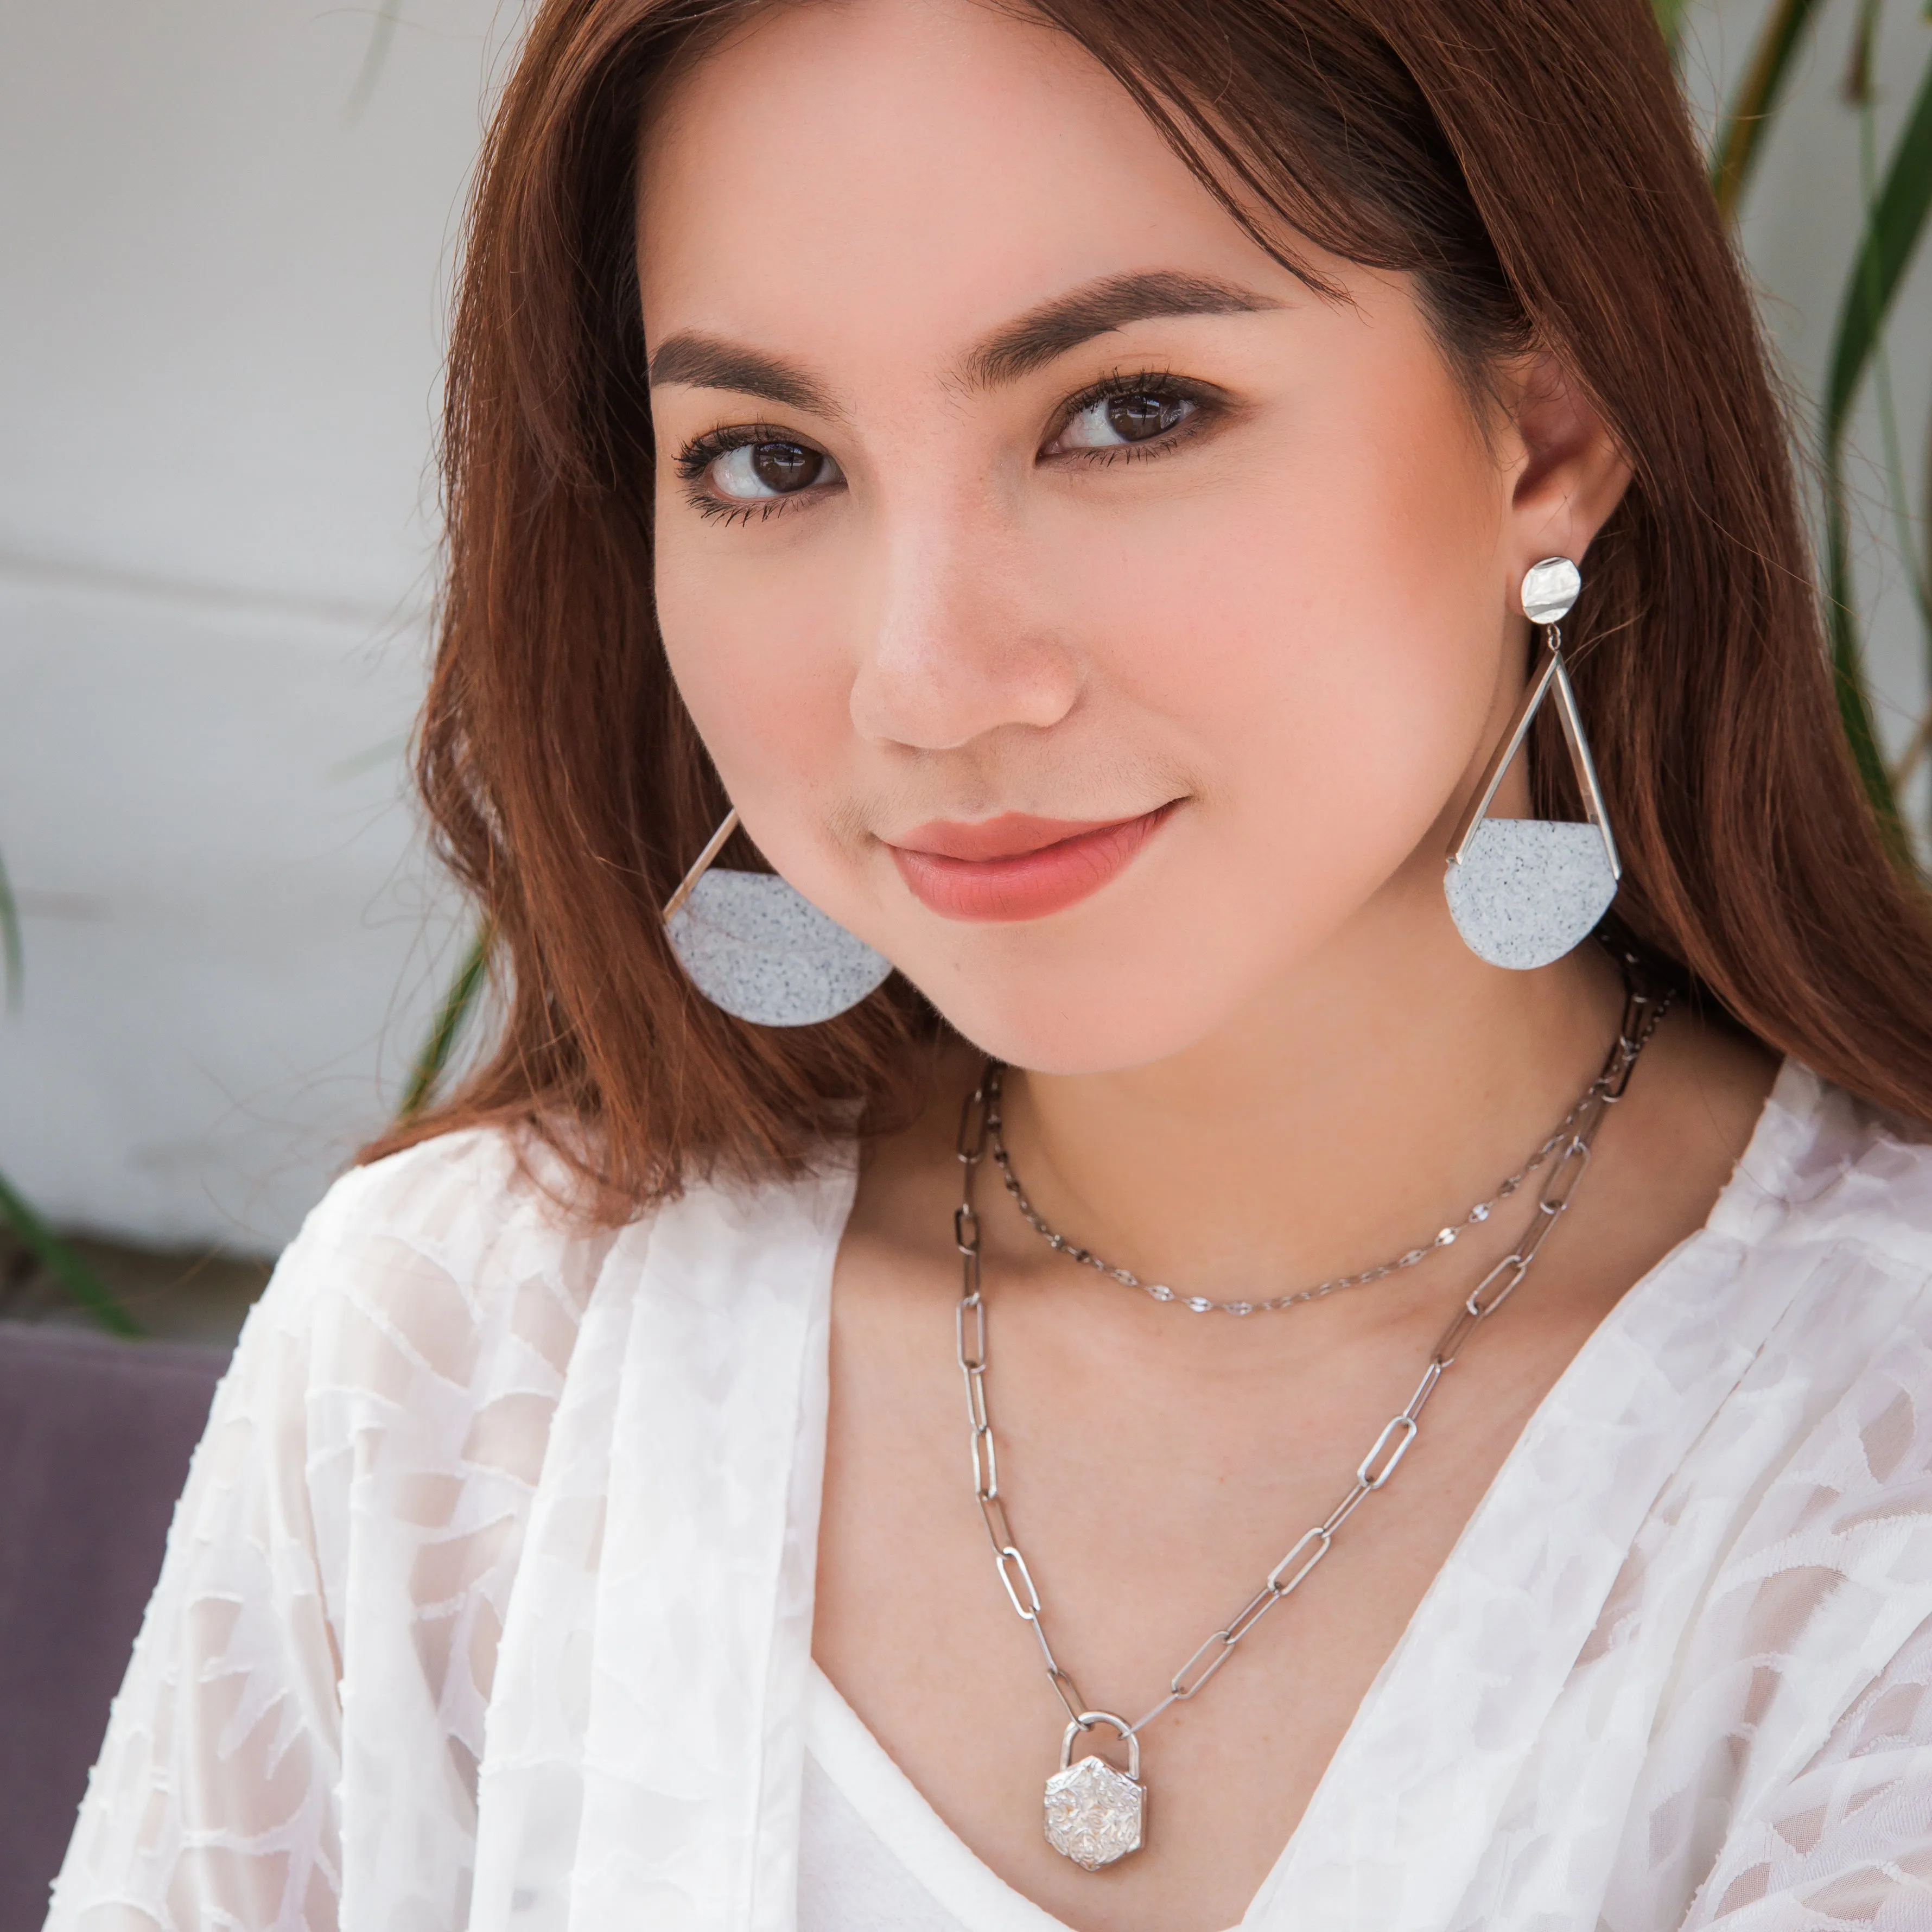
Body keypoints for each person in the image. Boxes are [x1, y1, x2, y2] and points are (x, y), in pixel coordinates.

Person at [46, 0, 1932, 1926]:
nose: (927, 684)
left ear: (1550, 429)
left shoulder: (1881, 1467)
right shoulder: (462, 1363)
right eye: (771, 463)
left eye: (1129, 411)